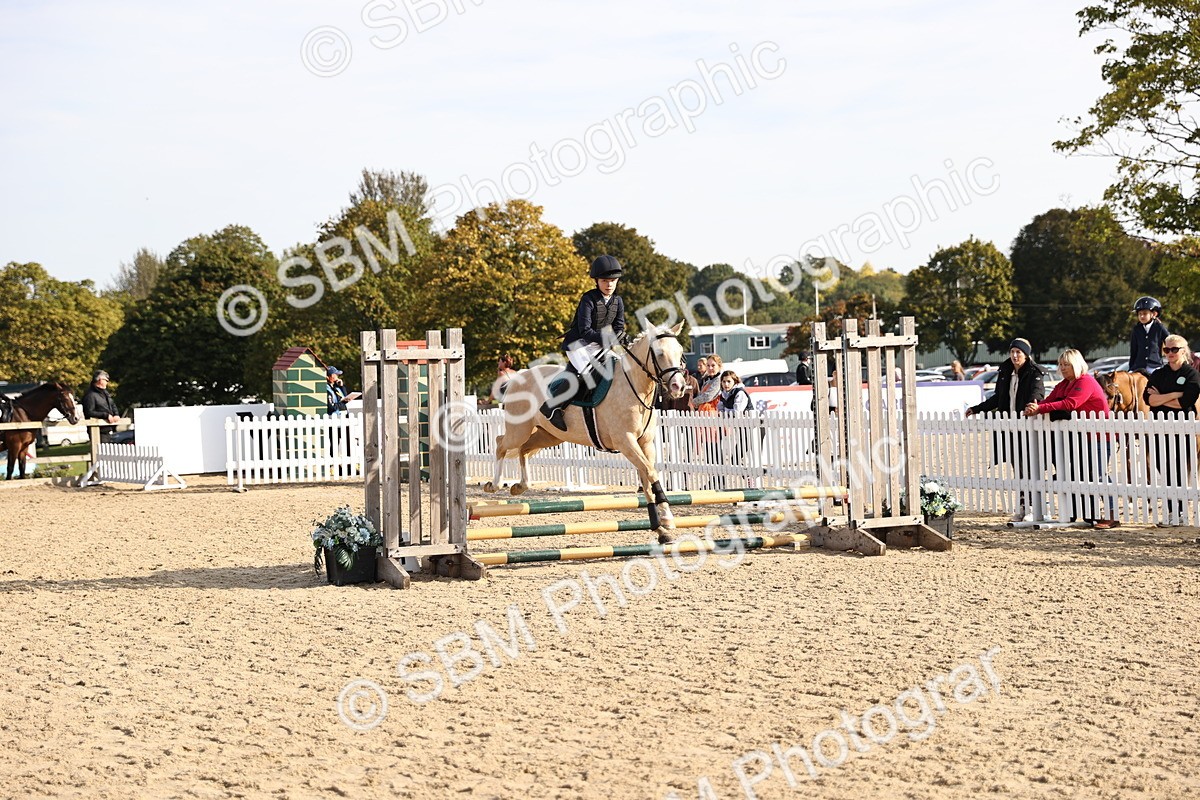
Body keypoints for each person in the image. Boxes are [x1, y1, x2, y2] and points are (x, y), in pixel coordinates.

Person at [1024, 349, 1118, 529]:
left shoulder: (1086, 381)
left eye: (1066, 364)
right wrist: (1035, 406)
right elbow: (1050, 399)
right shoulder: (1065, 383)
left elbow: (1071, 403)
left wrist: (1040, 409)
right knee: (1086, 475)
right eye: (1061, 364)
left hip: (1099, 435)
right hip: (1083, 437)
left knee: (1099, 475)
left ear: (1076, 364)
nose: (1063, 368)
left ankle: (1112, 514)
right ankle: (1095, 514)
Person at [540, 255, 626, 430]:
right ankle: (552, 407)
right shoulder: (588, 299)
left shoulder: (618, 301)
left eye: (613, 281)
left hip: (600, 344)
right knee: (586, 372)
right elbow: (585, 331)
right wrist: (608, 339)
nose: (609, 284)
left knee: (620, 366)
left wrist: (617, 337)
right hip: (579, 344)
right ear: (596, 281)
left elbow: (619, 326)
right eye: (604, 280)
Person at [965, 338, 1046, 522]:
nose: (1015, 356)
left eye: (1019, 352)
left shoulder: (1035, 372)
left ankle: (1034, 507)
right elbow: (998, 398)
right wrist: (978, 408)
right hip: (1008, 428)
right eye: (1012, 352)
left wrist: (1032, 404)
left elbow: (1037, 393)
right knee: (1018, 470)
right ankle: (1023, 507)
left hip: (1027, 428)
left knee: (1030, 468)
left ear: (1026, 354)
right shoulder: (1005, 372)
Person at [1142, 334, 1200, 527]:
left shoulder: (1191, 374)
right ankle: (1170, 510)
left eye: (1174, 349)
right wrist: (1174, 394)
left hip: (1182, 430)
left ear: (1184, 351)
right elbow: (1149, 400)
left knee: (1180, 470)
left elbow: (1187, 402)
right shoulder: (1159, 374)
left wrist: (1162, 397)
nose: (1170, 353)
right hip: (1160, 429)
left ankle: (1181, 512)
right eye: (1167, 350)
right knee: (1164, 470)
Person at [1129, 296, 1169, 376]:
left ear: (1154, 314)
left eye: (1144, 313)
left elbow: (1169, 341)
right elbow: (1133, 350)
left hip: (1155, 365)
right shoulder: (1136, 329)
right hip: (1138, 366)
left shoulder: (1159, 327)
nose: (1142, 316)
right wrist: (1131, 367)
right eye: (1139, 314)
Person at [82, 370, 120, 440]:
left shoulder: (106, 393)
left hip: (108, 429)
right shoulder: (90, 395)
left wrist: (116, 414)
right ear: (100, 380)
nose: (107, 382)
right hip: (98, 431)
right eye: (106, 380)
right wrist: (106, 415)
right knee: (100, 450)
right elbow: (89, 412)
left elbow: (112, 404)